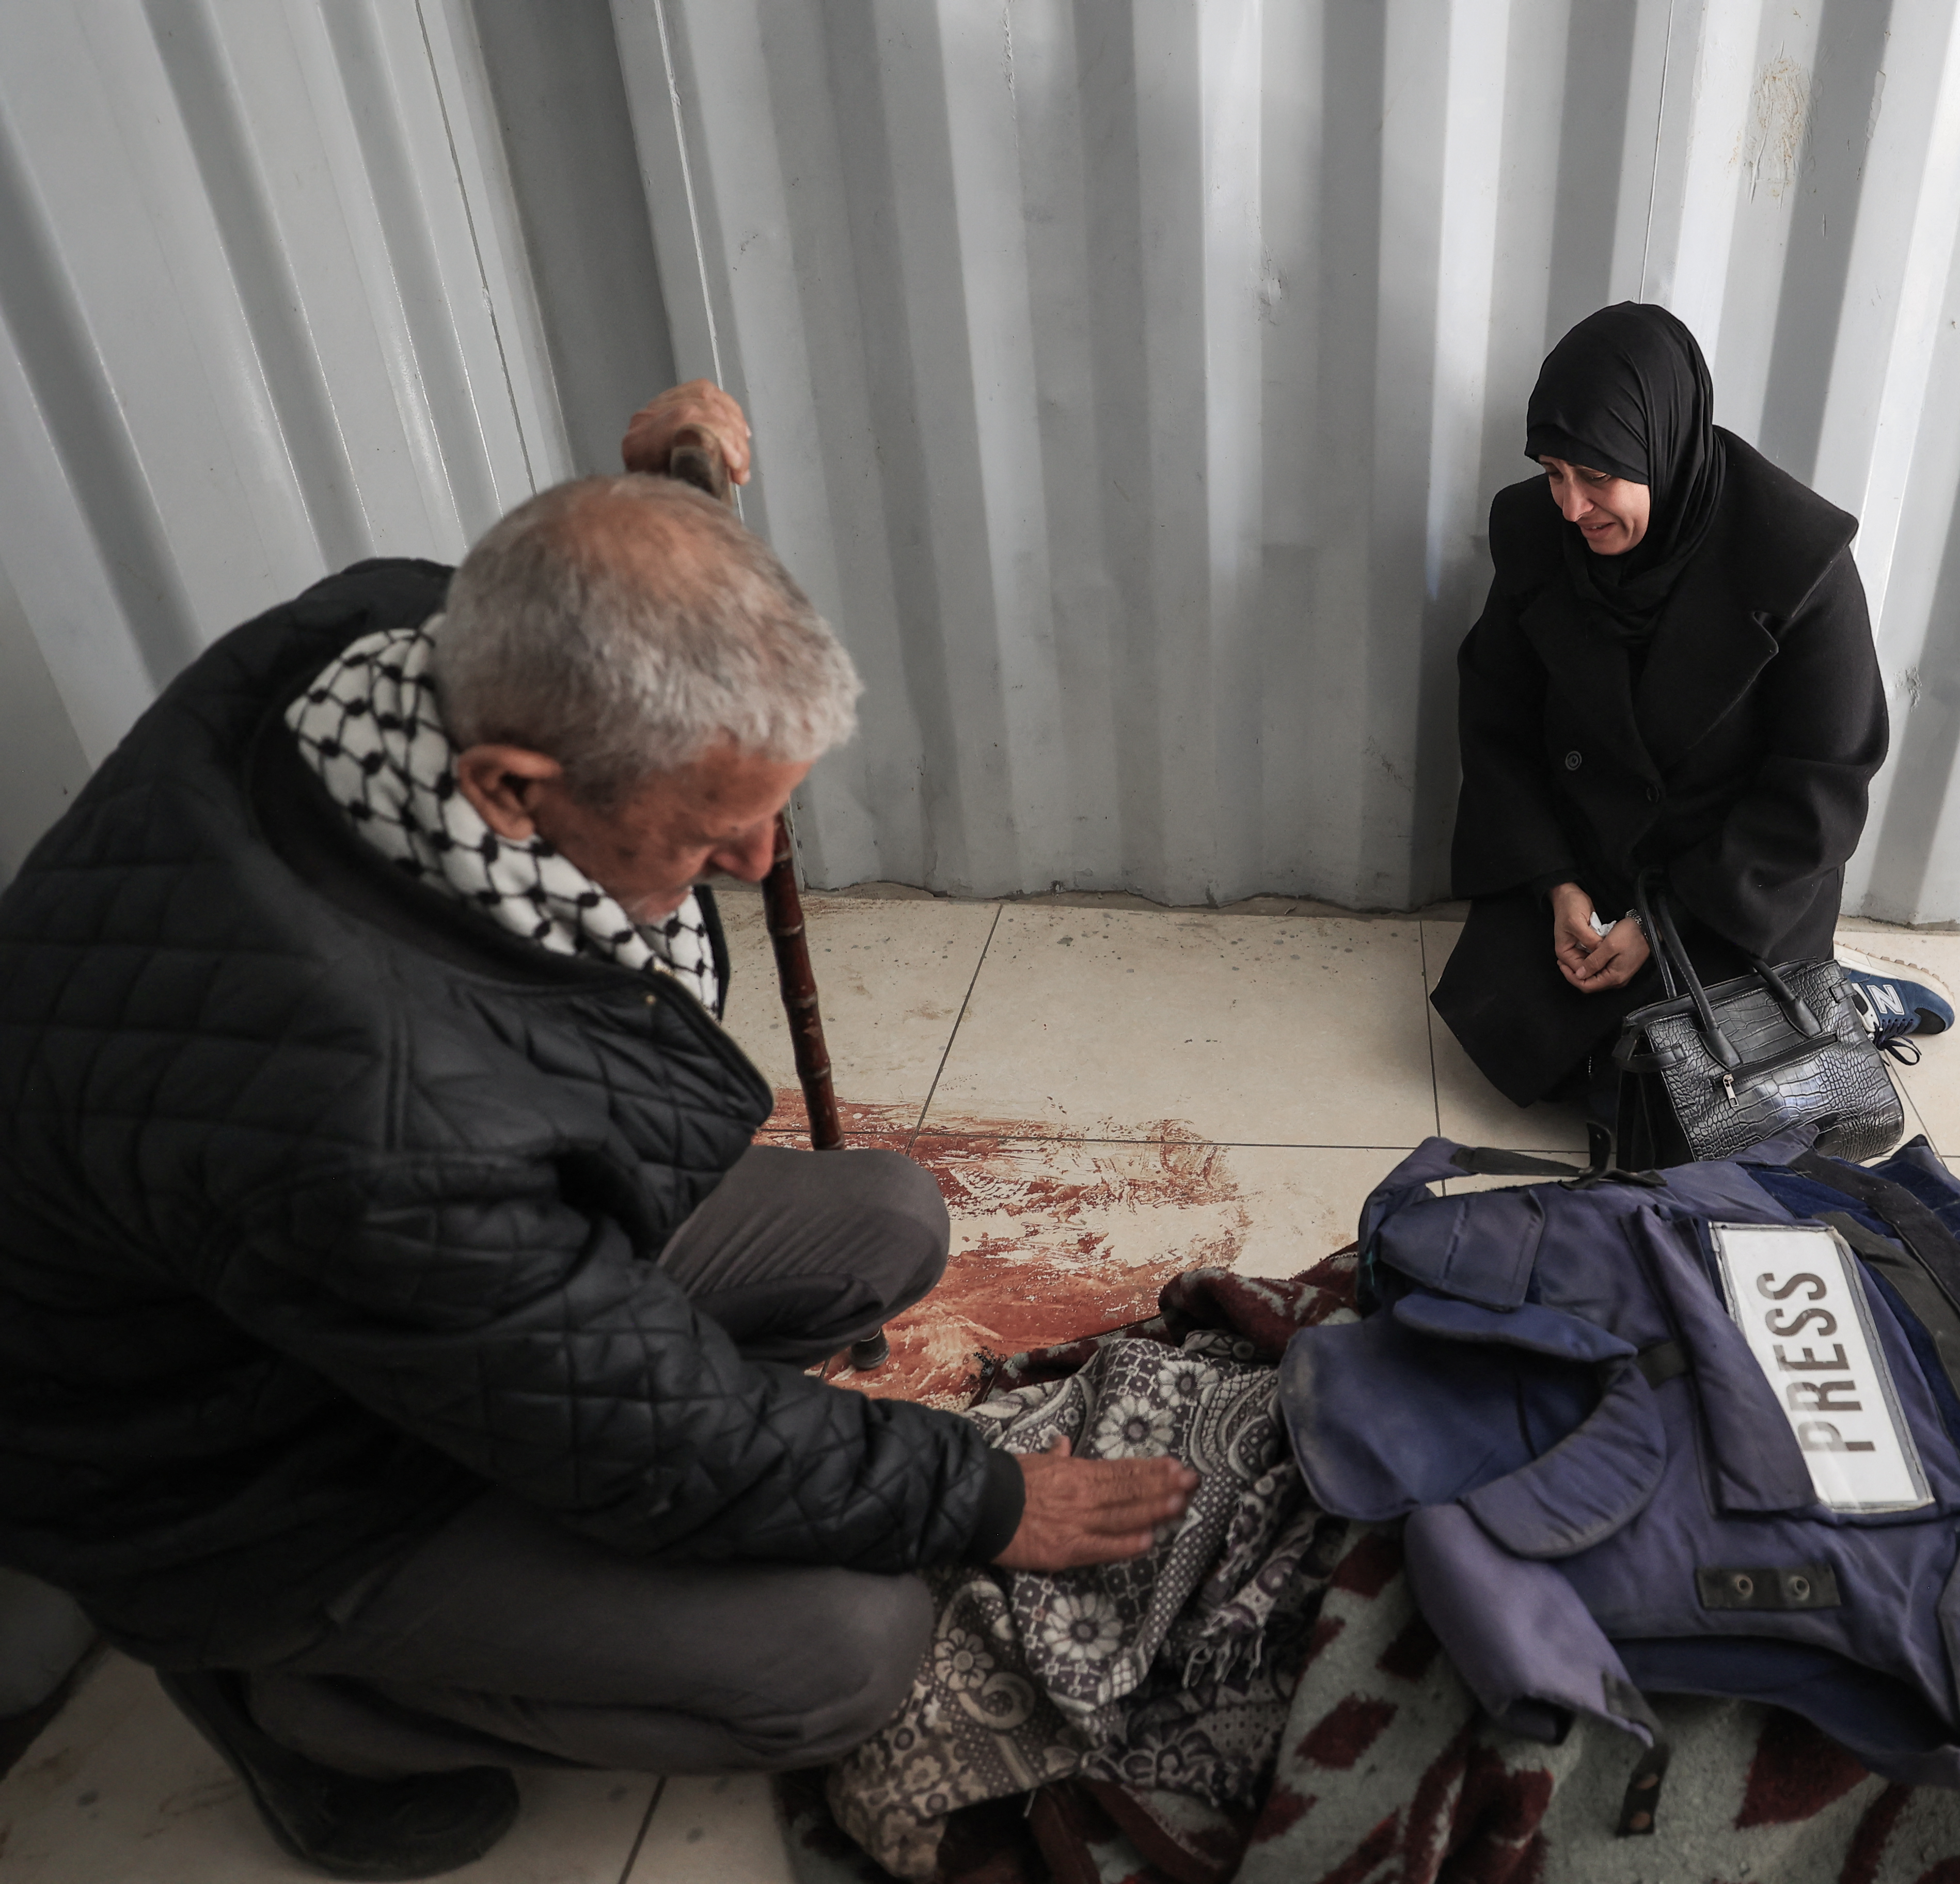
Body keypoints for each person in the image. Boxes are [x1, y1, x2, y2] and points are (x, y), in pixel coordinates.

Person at [0, 384, 1195, 1879]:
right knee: (848, 1649)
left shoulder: (400, 634)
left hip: (373, 1302)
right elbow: (660, 1435)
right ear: (511, 794)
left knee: (882, 1218)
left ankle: (563, 1496)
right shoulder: (376, 1121)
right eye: (708, 829)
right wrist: (988, 1497)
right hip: (242, 1485)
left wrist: (658, 512)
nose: (755, 861)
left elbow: (584, 601)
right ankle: (305, 1704)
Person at [1430, 304, 1892, 1127]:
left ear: (1661, 448)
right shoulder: (1535, 532)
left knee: (1695, 1100)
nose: (1572, 508)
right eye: (1553, 472)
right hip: (1590, 858)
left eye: (1597, 477)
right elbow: (1497, 716)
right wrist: (1555, 882)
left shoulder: (1798, 561)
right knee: (1531, 1037)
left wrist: (1663, 920)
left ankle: (1856, 1000)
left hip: (1730, 879)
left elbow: (1825, 779)